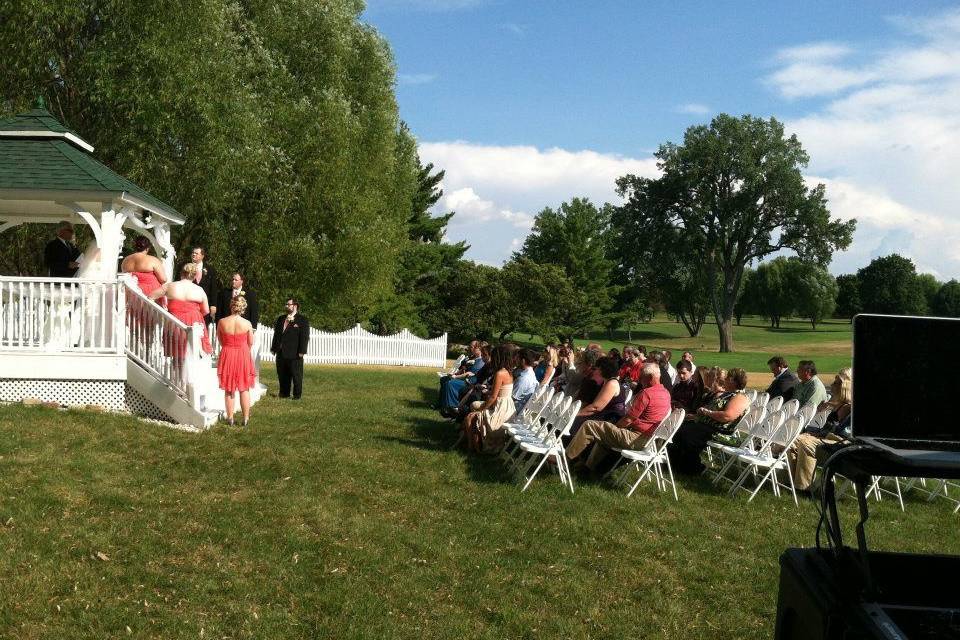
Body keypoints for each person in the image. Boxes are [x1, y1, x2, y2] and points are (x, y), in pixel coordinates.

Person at [565, 363, 671, 472]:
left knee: (590, 425)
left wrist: (616, 427)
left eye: (641, 377)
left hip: (635, 438)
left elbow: (628, 419)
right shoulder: (666, 393)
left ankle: (565, 459)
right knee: (604, 432)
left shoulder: (646, 394)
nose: (639, 380)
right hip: (649, 441)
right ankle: (588, 468)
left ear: (650, 378)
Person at [668, 368, 750, 474]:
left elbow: (727, 416)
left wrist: (707, 412)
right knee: (680, 428)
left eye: (728, 377)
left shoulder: (740, 397)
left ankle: (692, 467)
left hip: (719, 431)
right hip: (708, 425)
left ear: (734, 380)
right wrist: (696, 416)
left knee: (687, 434)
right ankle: (674, 463)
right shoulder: (728, 394)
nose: (725, 379)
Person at [787, 367, 853, 491]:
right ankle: (790, 480)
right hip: (830, 441)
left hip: (841, 448)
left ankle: (804, 487)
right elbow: (828, 430)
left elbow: (841, 435)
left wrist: (818, 435)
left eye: (836, 382)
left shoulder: (848, 409)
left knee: (806, 443)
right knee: (794, 440)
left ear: (845, 386)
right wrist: (816, 433)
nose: (832, 385)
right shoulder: (839, 406)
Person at [150, 263, 213, 357]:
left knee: (175, 352)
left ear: (181, 273)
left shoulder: (170, 286)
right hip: (194, 321)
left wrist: (162, 309)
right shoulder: (199, 290)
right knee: (194, 352)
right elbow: (206, 310)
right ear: (194, 276)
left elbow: (150, 296)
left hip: (174, 320)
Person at [463, 344, 515, 453]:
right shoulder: (509, 372)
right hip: (507, 408)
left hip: (499, 410)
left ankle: (474, 449)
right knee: (472, 413)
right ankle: (473, 446)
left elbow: (493, 397)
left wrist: (482, 409)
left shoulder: (500, 373)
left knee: (470, 417)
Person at [216, 296, 256, 426]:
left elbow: (220, 340)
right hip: (243, 355)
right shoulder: (247, 323)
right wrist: (243, 349)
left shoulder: (222, 322)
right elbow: (251, 342)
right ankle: (245, 419)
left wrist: (229, 347)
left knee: (229, 388)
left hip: (227, 354)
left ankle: (230, 418)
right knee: (244, 388)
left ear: (231, 306)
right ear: (243, 307)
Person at [570, 356, 626, 434]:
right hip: (603, 415)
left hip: (610, 418)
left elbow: (595, 407)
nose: (594, 371)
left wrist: (575, 414)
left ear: (603, 370)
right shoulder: (605, 382)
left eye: (596, 369)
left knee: (576, 421)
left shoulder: (612, 384)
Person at [270, 298, 310, 399]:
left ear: (295, 306)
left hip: (295, 352)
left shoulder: (302, 320)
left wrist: (302, 351)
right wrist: (274, 348)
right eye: (286, 304)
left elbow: (304, 337)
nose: (286, 306)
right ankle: (284, 393)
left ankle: (297, 395)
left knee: (296, 375)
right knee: (282, 374)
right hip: (281, 352)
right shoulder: (281, 319)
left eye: (288, 304)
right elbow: (277, 334)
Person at [439, 340, 486, 417]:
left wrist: (456, 376)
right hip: (466, 378)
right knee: (445, 379)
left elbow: (472, 373)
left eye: (473, 347)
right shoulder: (473, 358)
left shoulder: (481, 360)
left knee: (450, 383)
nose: (471, 349)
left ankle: (451, 406)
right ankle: (442, 404)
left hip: (471, 381)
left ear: (478, 348)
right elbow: (465, 369)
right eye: (471, 347)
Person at [121, 237, 167, 303]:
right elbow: (163, 279)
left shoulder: (125, 260)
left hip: (131, 293)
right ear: (147, 248)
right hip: (149, 295)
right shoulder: (153, 260)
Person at [189, 247, 219, 324]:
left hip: (205, 304)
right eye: (193, 253)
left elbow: (214, 288)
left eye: (196, 253)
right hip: (189, 302)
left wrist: (213, 305)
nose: (193, 255)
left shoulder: (210, 270)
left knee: (203, 325)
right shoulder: (184, 267)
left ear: (202, 256)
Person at [512, 349, 539, 414]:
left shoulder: (524, 379)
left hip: (514, 409)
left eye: (517, 358)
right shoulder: (527, 371)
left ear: (523, 360)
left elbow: (512, 398)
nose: (515, 360)